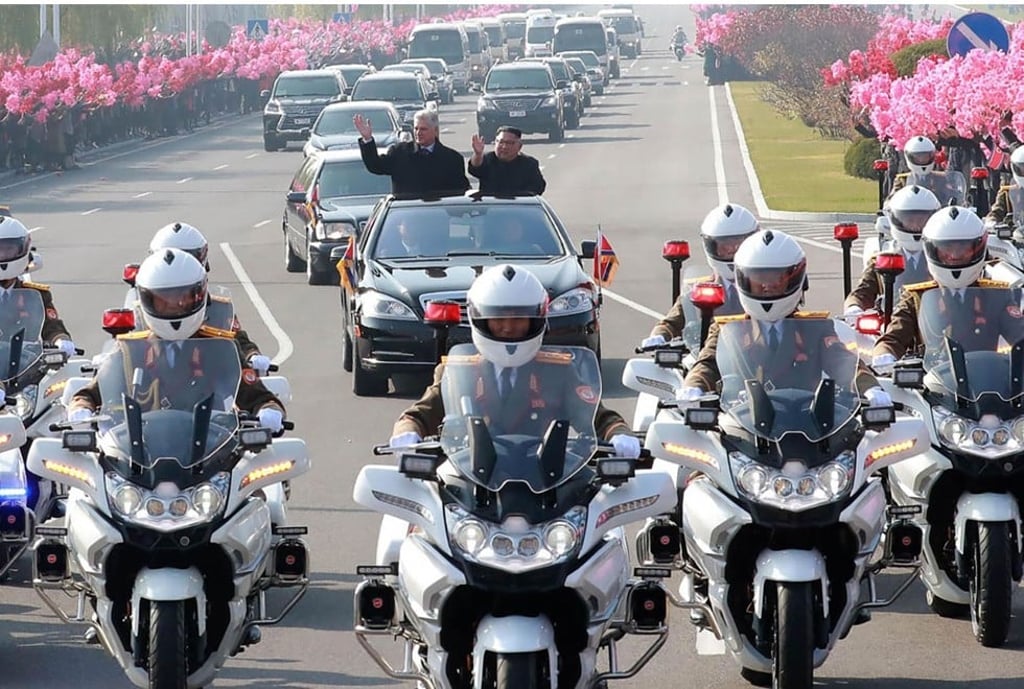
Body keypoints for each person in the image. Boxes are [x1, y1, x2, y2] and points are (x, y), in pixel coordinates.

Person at [389, 263, 640, 458]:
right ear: (481, 319)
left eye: (519, 319)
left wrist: (618, 434)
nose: (509, 327)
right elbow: (420, 413)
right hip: (471, 478)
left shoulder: (559, 371)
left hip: (547, 476)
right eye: (499, 319)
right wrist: (407, 432)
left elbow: (597, 415)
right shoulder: (455, 372)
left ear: (536, 320)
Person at [67, 249, 285, 432]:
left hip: (210, 453)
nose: (174, 305)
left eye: (183, 298)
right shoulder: (129, 350)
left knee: (257, 476)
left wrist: (268, 411)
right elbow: (90, 393)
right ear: (145, 299)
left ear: (200, 295)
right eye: (163, 300)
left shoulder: (221, 349)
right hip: (139, 455)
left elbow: (261, 398)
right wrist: (81, 409)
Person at [680, 229, 888, 402]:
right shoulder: (726, 329)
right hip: (743, 426)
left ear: (796, 279)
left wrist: (870, 388)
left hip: (808, 424)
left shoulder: (816, 328)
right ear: (743, 279)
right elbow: (706, 364)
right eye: (758, 279)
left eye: (776, 279)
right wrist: (693, 386)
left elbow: (844, 362)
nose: (767, 287)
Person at [873, 206, 1024, 366]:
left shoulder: (996, 296)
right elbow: (893, 338)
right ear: (932, 250)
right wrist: (885, 355)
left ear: (978, 248)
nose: (955, 255)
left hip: (987, 382)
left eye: (963, 248)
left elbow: (1019, 333)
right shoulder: (916, 298)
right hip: (932, 384)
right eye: (947, 249)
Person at [144, 221, 271, 375]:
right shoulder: (137, 316)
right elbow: (115, 377)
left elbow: (239, 341)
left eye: (185, 259)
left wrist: (252, 357)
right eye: (162, 299)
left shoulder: (220, 310)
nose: (173, 302)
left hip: (211, 389)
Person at [641, 203, 756, 348]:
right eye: (724, 245)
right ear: (711, 246)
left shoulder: (767, 290)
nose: (732, 250)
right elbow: (670, 323)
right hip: (705, 359)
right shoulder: (698, 292)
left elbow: (786, 323)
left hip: (756, 364)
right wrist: (659, 336)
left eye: (739, 243)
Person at [845, 185, 940, 315]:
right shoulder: (884, 257)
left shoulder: (943, 256)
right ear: (895, 219)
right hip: (892, 321)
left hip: (934, 322)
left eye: (922, 219)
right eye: (909, 220)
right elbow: (864, 290)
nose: (916, 225)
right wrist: (854, 307)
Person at [0, 215, 76, 356]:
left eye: (7, 249)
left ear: (24, 249)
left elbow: (52, 326)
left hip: (25, 366)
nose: (1, 254)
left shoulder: (37, 294)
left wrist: (61, 340)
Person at [354, 109, 469, 196]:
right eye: (416, 128)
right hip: (405, 221)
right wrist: (368, 139)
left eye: (423, 129)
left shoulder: (452, 159)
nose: (418, 133)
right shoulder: (399, 153)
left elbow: (461, 192)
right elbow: (375, 165)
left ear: (435, 131)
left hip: (438, 221)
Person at [468, 126, 546, 195]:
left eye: (510, 143)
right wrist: (478, 154)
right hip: (492, 206)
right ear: (495, 143)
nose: (504, 147)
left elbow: (538, 188)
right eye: (501, 142)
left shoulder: (529, 164)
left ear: (519, 146)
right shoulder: (488, 159)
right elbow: (475, 169)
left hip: (519, 206)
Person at [889, 135, 965, 206]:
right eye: (918, 157)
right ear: (909, 157)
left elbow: (951, 196)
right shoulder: (902, 179)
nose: (922, 160)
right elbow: (891, 201)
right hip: (911, 215)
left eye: (925, 156)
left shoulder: (941, 177)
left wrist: (960, 201)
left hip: (935, 213)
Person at [985, 145, 1024, 229]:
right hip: (1016, 235)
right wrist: (992, 221)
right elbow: (997, 210)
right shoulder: (1008, 187)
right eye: (1022, 169)